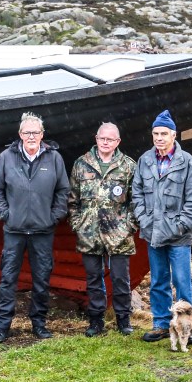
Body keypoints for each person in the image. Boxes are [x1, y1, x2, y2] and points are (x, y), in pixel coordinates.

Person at [0, 112, 70, 343]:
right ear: (20, 135)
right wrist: (6, 214)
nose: (31, 136)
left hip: (43, 231)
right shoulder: (7, 157)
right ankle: (2, 327)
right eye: (27, 132)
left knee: (42, 280)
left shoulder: (54, 158)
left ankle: (39, 324)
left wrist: (54, 216)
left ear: (42, 134)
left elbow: (63, 190)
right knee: (7, 280)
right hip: (14, 231)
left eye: (35, 132)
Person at [131, 110, 192, 343]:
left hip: (179, 235)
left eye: (164, 133)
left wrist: (181, 225)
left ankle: (185, 328)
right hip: (153, 233)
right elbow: (137, 194)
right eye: (156, 133)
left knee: (182, 282)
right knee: (158, 280)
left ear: (174, 135)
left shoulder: (187, 163)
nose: (159, 137)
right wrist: (144, 220)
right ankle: (161, 324)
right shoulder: (145, 160)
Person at [68, 122, 138, 336]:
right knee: (93, 278)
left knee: (120, 279)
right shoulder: (81, 164)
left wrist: (129, 226)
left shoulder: (128, 166)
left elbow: (136, 200)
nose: (105, 142)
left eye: (110, 139)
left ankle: (123, 320)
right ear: (96, 138)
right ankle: (96, 320)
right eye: (102, 138)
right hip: (89, 232)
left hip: (119, 233)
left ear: (118, 142)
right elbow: (73, 200)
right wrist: (78, 224)